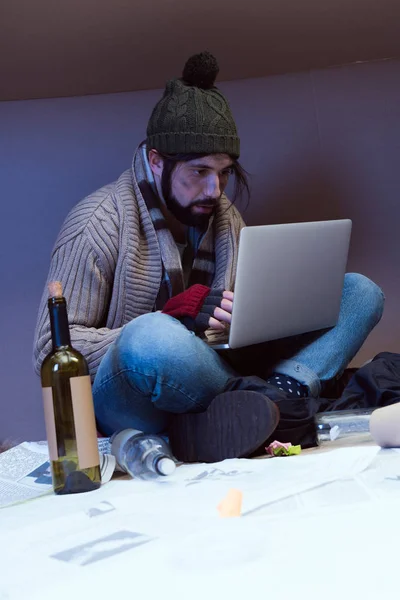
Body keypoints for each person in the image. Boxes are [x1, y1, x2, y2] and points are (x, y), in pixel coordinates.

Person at [33, 51, 385, 463]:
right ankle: (270, 408)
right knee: (151, 338)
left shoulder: (225, 218)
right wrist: (177, 318)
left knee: (361, 292)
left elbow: (227, 333)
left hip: (214, 371)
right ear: (156, 161)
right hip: (131, 393)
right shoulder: (98, 220)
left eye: (224, 172)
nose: (215, 189)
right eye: (199, 172)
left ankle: (274, 397)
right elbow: (49, 349)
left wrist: (252, 318)